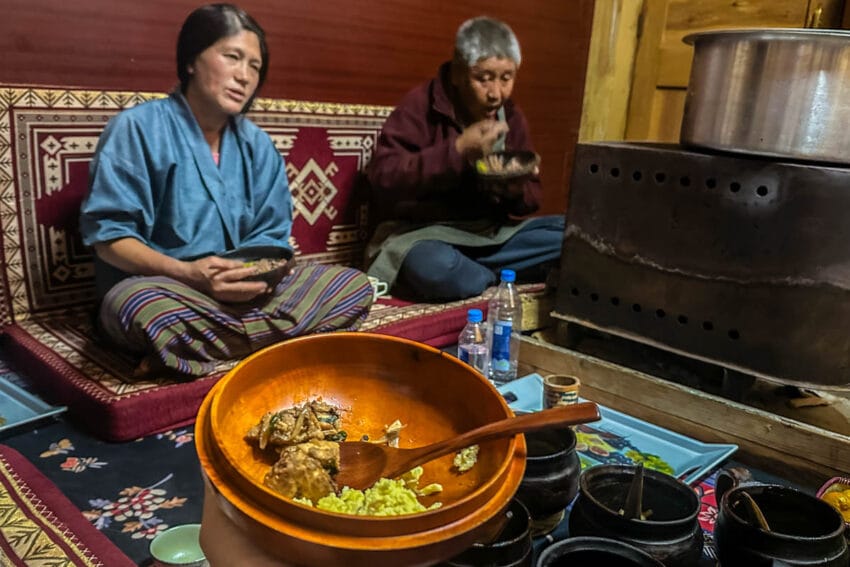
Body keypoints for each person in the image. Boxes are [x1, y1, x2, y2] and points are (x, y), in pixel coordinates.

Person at [79, 3, 373, 378]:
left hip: (245, 296)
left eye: (255, 66)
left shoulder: (258, 144)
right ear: (191, 60)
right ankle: (266, 344)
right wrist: (188, 273)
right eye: (232, 57)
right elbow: (110, 239)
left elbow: (272, 238)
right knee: (138, 307)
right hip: (170, 288)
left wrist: (259, 273)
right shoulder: (137, 128)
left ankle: (189, 351)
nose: (244, 76)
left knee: (353, 286)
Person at [365, 16, 565, 302]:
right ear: (458, 73)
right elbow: (383, 177)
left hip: (489, 235)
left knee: (573, 237)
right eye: (484, 79)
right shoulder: (421, 106)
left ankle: (477, 274)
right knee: (434, 267)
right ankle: (492, 274)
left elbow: (532, 199)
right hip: (425, 235)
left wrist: (514, 188)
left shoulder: (509, 115)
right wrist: (457, 151)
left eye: (506, 78)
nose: (496, 93)